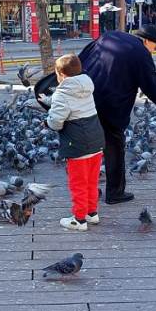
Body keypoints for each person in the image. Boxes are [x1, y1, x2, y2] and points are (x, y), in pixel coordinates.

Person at [79, 24, 156, 205]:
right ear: (147, 41)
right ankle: (115, 193)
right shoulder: (141, 54)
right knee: (114, 147)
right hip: (111, 107)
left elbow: (82, 58)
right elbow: (155, 90)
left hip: (85, 100)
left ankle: (85, 191)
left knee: (87, 148)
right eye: (155, 48)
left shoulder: (109, 35)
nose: (153, 53)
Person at [45, 54, 105, 231]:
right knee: (92, 180)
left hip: (77, 144)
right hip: (95, 140)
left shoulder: (62, 94)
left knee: (78, 183)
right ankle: (91, 213)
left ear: (60, 74)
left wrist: (46, 121)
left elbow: (56, 123)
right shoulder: (86, 86)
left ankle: (79, 219)